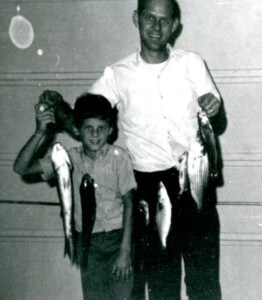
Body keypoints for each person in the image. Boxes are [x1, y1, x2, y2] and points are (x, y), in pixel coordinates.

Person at [88, 1, 222, 299]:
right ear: (137, 18)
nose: (156, 27)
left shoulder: (192, 63)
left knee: (204, 279)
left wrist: (214, 108)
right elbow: (86, 117)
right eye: (149, 18)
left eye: (164, 20)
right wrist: (56, 107)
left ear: (175, 25)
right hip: (150, 188)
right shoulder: (117, 73)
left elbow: (216, 121)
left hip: (195, 179)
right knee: (162, 282)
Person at [13, 93, 137, 300]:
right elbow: (21, 168)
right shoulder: (65, 157)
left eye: (101, 128)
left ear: (111, 130)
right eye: (88, 128)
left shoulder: (120, 157)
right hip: (88, 242)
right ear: (77, 130)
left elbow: (129, 204)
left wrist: (125, 252)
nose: (95, 134)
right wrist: (39, 132)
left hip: (119, 239)